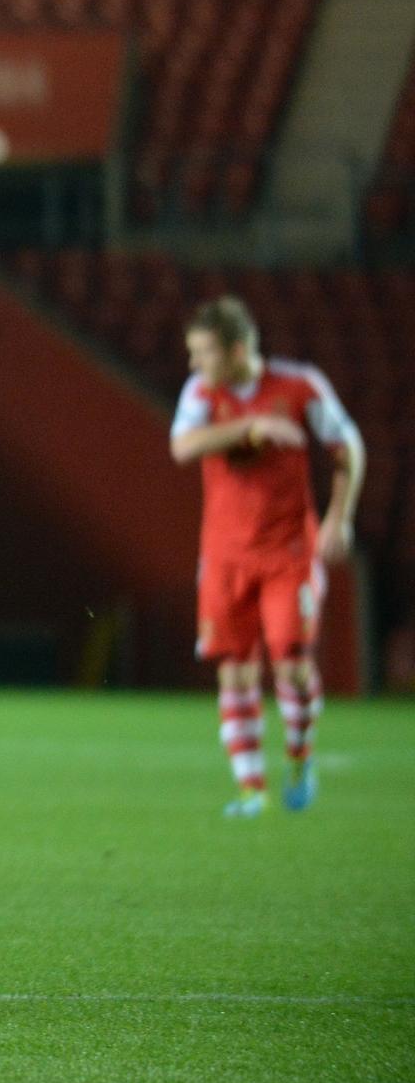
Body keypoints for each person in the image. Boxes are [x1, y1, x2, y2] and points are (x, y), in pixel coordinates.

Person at [169, 296, 363, 816]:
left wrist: (338, 518)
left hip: (289, 554)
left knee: (291, 663)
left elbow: (349, 446)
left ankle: (300, 754)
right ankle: (251, 789)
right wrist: (249, 429)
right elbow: (183, 447)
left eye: (203, 353)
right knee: (234, 669)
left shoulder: (300, 386)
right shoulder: (203, 392)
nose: (195, 365)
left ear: (236, 350)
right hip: (225, 555)